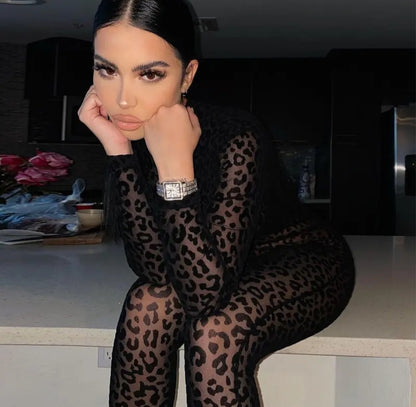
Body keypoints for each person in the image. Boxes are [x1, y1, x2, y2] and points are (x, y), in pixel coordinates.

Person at [78, 0, 355, 405]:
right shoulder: (131, 131)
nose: (122, 100)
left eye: (149, 74)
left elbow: (203, 297)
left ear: (187, 75)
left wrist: (175, 168)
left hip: (296, 255)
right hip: (214, 265)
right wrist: (118, 150)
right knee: (146, 303)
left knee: (215, 332)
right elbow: (155, 270)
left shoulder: (236, 136)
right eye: (107, 70)